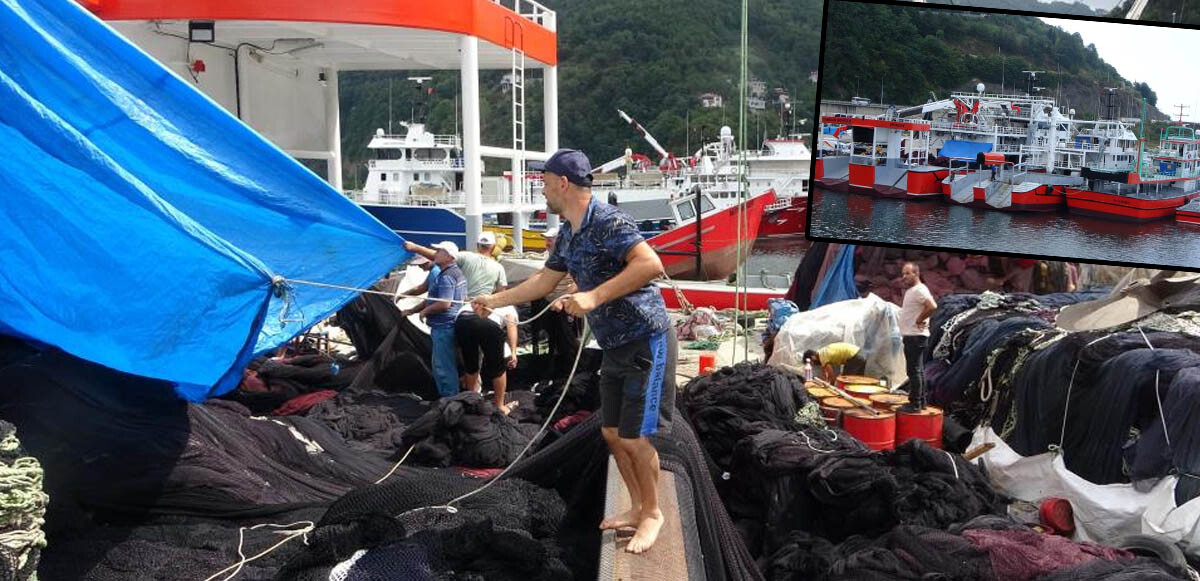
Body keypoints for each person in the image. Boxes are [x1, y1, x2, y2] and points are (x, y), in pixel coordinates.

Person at [474, 148, 675, 554]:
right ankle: (637, 506)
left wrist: (593, 297)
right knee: (612, 434)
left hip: (645, 339)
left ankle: (653, 513)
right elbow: (544, 282)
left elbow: (650, 264)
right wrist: (494, 301)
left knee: (636, 439)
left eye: (545, 182)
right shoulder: (568, 231)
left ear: (563, 183)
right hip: (616, 345)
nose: (542, 189)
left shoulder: (608, 221)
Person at [401, 241, 466, 398]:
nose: (435, 253)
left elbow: (444, 303)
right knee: (443, 364)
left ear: (449, 256)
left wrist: (424, 312)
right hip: (447, 325)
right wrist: (412, 310)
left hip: (444, 326)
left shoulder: (447, 276)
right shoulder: (452, 273)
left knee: (443, 366)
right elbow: (432, 299)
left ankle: (449, 398)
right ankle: (449, 396)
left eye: (439, 251)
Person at [529, 226, 581, 377]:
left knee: (568, 344)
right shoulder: (553, 259)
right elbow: (541, 274)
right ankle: (553, 373)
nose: (547, 241)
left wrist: (561, 299)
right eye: (546, 238)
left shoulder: (571, 257)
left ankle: (571, 375)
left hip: (564, 307)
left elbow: (579, 282)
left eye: (551, 238)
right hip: (550, 306)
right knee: (552, 341)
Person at [457, 302, 519, 412]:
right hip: (486, 323)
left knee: (471, 364)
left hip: (462, 319)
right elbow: (511, 327)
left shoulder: (480, 299)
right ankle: (500, 406)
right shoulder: (509, 307)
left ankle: (471, 401)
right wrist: (513, 352)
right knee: (498, 367)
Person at [406, 234, 506, 300]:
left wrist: (415, 247)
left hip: (463, 305)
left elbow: (439, 256)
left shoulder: (466, 256)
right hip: (483, 306)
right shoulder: (499, 267)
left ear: (478, 245)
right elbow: (501, 292)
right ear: (493, 247)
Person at [898, 262, 937, 411]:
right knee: (917, 370)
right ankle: (921, 401)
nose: (904, 277)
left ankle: (915, 404)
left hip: (915, 335)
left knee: (913, 371)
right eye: (903, 273)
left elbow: (932, 306)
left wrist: (920, 319)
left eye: (907, 273)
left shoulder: (920, 290)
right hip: (913, 335)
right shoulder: (913, 290)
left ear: (916, 274)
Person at [802, 342, 867, 383]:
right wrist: (823, 380)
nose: (813, 365)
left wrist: (832, 384)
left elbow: (830, 372)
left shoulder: (822, 356)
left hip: (854, 357)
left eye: (811, 363)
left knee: (845, 381)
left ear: (813, 357)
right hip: (860, 353)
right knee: (859, 380)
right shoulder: (822, 353)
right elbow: (823, 370)